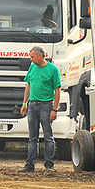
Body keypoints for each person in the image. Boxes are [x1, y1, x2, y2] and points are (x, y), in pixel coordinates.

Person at [19, 45, 61, 173]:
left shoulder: (53, 70)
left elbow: (57, 90)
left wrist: (54, 109)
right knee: (32, 137)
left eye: (32, 57)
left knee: (48, 136)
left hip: (46, 105)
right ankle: (30, 164)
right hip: (32, 105)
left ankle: (49, 164)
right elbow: (28, 85)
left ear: (40, 56)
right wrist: (25, 103)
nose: (31, 60)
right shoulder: (32, 68)